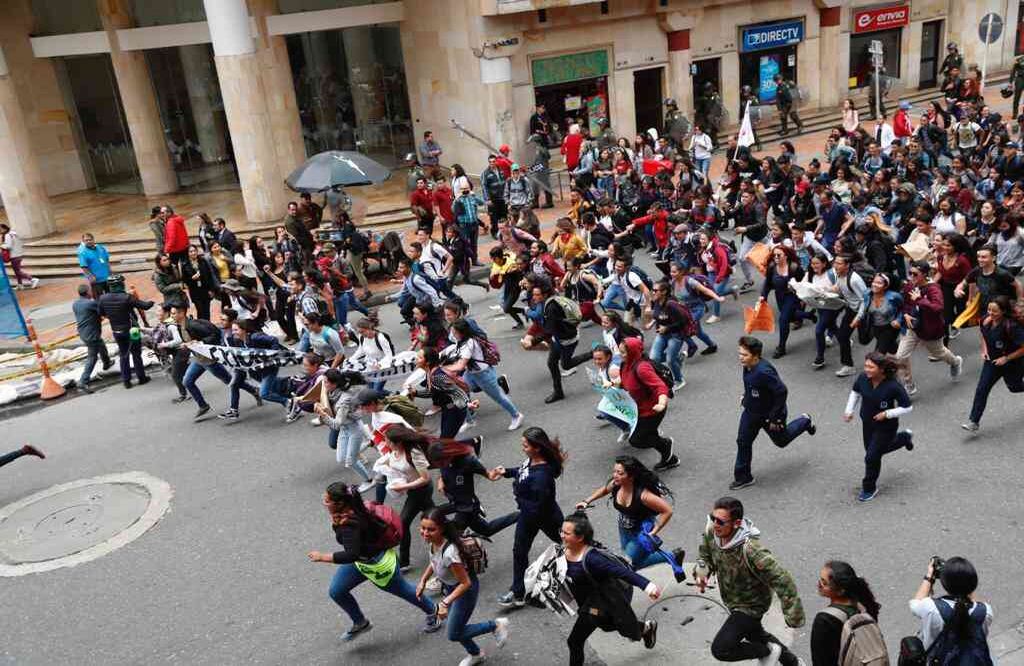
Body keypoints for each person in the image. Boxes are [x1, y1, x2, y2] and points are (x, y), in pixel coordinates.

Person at [306, 482, 443, 643]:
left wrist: (322, 557)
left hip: (379, 565)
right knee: (337, 591)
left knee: (405, 590)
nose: (324, 502)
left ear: (340, 503)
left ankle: (434, 611)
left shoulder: (348, 524)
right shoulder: (357, 508)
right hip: (364, 559)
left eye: (327, 500)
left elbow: (351, 555)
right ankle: (360, 622)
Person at [696, 496, 805, 666]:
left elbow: (782, 579)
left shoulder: (751, 550)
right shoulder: (712, 533)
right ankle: (793, 663)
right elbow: (705, 555)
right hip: (732, 600)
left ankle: (767, 652)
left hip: (751, 606)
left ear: (736, 523)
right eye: (712, 518)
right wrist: (702, 572)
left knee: (721, 649)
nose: (714, 524)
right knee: (756, 635)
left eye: (720, 521)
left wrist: (793, 615)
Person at [559, 511, 661, 666]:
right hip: (588, 603)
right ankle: (646, 628)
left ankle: (645, 629)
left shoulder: (593, 559)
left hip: (602, 602)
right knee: (603, 626)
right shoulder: (564, 550)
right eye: (561, 531)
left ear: (580, 538)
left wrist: (648, 586)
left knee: (577, 639)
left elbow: (622, 572)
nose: (561, 535)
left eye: (566, 533)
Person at [414, 510, 511, 666]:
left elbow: (466, 583)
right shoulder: (434, 542)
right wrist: (423, 581)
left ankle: (496, 625)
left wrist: (444, 603)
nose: (425, 533)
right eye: (423, 528)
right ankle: (476, 654)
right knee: (457, 627)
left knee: (453, 633)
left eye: (431, 529)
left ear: (441, 529)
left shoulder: (449, 553)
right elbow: (434, 562)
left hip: (464, 592)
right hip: (451, 589)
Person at [489, 427, 566, 608]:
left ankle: (592, 566)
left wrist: (519, 498)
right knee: (519, 551)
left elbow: (540, 504)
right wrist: (507, 472)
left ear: (537, 448)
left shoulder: (542, 477)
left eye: (525, 445)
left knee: (568, 544)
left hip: (546, 517)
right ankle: (518, 593)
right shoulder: (533, 460)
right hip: (528, 516)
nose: (522, 448)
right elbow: (523, 471)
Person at [575, 456, 685, 577]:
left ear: (631, 476)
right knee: (635, 563)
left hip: (640, 533)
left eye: (620, 473)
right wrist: (586, 501)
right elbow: (605, 490)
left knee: (626, 565)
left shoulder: (644, 495)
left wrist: (653, 532)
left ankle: (628, 586)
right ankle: (672, 556)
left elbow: (667, 510)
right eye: (614, 471)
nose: (615, 475)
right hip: (624, 530)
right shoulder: (616, 484)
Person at [732, 336, 816, 490]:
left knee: (782, 441)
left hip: (769, 415)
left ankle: (805, 421)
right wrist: (746, 395)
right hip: (751, 412)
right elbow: (752, 384)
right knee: (743, 441)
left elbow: (781, 391)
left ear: (756, 356)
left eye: (744, 355)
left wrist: (774, 418)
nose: (740, 357)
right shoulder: (748, 365)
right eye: (740, 353)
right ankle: (743, 477)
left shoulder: (764, 372)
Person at [842, 352, 915, 502]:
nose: (866, 369)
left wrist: (887, 414)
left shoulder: (893, 386)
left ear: (881, 369)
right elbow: (855, 392)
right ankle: (904, 438)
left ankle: (869, 488)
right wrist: (849, 411)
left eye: (871, 367)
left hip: (886, 427)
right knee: (874, 451)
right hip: (867, 423)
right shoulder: (863, 378)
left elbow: (907, 407)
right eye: (866, 366)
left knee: (871, 457)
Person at [895, 261, 963, 397]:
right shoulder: (910, 286)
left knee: (939, 353)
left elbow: (938, 308)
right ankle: (908, 384)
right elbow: (905, 304)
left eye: (915, 274)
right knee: (900, 356)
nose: (911, 276)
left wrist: (920, 299)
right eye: (910, 273)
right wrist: (906, 314)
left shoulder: (933, 289)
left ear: (925, 274)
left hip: (930, 330)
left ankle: (955, 362)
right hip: (913, 328)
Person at [444, 319, 524, 432]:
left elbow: (461, 365)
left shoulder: (469, 343)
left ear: (462, 332)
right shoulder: (461, 341)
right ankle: (469, 421)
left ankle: (516, 415)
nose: (453, 335)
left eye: (455, 332)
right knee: (458, 395)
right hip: (470, 374)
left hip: (483, 375)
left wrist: (442, 369)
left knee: (499, 397)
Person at [910, 556, 994, 659]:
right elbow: (976, 603)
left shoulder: (932, 609)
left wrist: (929, 577)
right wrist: (966, 586)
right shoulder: (986, 612)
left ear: (945, 584)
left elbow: (915, 604)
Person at [962, 296, 1024, 432]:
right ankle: (974, 421)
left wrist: (1006, 358)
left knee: (1014, 387)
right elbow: (983, 335)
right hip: (992, 362)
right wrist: (984, 350)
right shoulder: (985, 320)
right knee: (982, 389)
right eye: (989, 310)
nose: (990, 313)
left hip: (1013, 363)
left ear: (1003, 311)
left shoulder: (1011, 326)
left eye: (994, 311)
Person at [618, 337, 680, 471]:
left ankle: (665, 444)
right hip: (638, 409)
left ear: (632, 352)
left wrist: (661, 403)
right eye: (619, 351)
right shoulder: (625, 364)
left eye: (623, 352)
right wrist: (612, 384)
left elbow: (660, 386)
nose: (619, 354)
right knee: (647, 435)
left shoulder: (642, 368)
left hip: (652, 410)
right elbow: (625, 382)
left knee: (637, 440)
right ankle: (670, 459)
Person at [810, 561, 882, 666]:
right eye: (820, 580)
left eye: (824, 583)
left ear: (840, 591)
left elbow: (820, 662)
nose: (819, 584)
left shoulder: (824, 620)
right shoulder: (864, 606)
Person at [315, 369, 374, 492]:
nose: (323, 385)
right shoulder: (332, 393)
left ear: (334, 384)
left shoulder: (344, 400)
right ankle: (369, 442)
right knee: (341, 458)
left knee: (350, 461)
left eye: (326, 382)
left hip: (354, 429)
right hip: (345, 428)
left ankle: (369, 480)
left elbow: (336, 425)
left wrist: (323, 415)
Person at [97, 274, 154, 389]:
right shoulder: (127, 297)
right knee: (136, 354)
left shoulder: (102, 298)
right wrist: (152, 302)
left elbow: (101, 313)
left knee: (123, 355)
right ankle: (141, 377)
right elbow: (145, 306)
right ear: (120, 284)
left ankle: (126, 381)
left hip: (116, 331)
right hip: (132, 331)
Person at [408, 347, 470, 438]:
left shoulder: (437, 377)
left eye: (420, 357)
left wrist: (468, 403)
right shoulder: (429, 372)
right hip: (448, 409)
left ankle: (474, 443)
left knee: (445, 440)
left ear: (428, 362)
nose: (416, 359)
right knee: (446, 439)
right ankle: (474, 443)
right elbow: (431, 392)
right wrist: (416, 393)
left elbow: (457, 391)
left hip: (455, 409)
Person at [647, 280, 695, 391]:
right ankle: (678, 358)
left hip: (675, 335)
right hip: (662, 334)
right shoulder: (656, 301)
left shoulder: (671, 304)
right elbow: (659, 315)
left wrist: (667, 328)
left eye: (655, 290)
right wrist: (652, 323)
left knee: (669, 360)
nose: (653, 292)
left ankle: (679, 380)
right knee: (654, 358)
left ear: (664, 292)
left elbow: (682, 321)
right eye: (652, 290)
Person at [72, 283, 114, 393]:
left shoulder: (75, 304)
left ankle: (107, 363)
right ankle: (83, 381)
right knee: (92, 357)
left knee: (101, 344)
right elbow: (103, 313)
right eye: (90, 290)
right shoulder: (90, 303)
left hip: (83, 332)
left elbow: (88, 315)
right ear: (87, 292)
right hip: (91, 334)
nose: (92, 292)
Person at [182, 244, 219, 322]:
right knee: (200, 310)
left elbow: (209, 275)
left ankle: (208, 325)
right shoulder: (185, 265)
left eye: (194, 251)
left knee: (207, 310)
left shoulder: (203, 261)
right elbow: (185, 281)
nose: (193, 253)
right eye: (191, 251)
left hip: (205, 290)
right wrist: (192, 278)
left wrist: (211, 289)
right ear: (188, 253)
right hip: (195, 292)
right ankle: (201, 326)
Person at [0, 223, 38, 289]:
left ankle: (32, 279)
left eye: (0, 229)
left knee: (17, 271)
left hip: (14, 255)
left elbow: (8, 246)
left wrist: (1, 245)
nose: (0, 231)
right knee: (17, 270)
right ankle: (20, 284)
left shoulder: (8, 235)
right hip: (18, 254)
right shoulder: (14, 234)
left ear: (4, 228)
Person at [77, 233, 112, 298]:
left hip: (107, 277)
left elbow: (107, 259)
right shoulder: (83, 252)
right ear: (83, 242)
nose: (88, 241)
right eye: (86, 240)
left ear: (93, 240)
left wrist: (110, 270)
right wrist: (91, 276)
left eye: (90, 240)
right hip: (96, 280)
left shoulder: (100, 247)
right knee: (98, 298)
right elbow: (84, 267)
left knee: (110, 296)